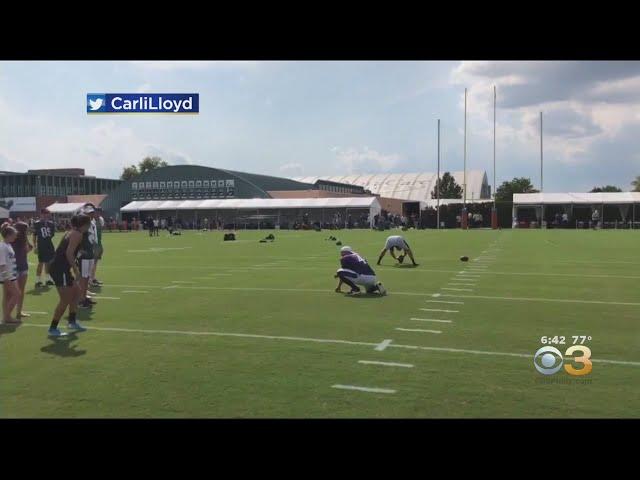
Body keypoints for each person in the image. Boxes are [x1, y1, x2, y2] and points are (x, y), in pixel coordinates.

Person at [47, 214, 90, 337]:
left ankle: (72, 322)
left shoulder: (71, 232)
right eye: (88, 224)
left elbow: (68, 250)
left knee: (77, 292)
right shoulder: (77, 234)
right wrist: (76, 270)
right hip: (59, 269)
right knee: (65, 299)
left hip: (60, 267)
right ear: (84, 225)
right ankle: (53, 328)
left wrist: (80, 252)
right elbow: (69, 253)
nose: (89, 226)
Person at [11, 217, 32, 319]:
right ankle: (8, 313)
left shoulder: (24, 240)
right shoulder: (12, 240)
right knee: (13, 292)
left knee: (21, 290)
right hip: (14, 268)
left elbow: (28, 249)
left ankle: (19, 312)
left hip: (23, 267)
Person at [77, 205, 97, 309]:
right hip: (84, 255)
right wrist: (79, 251)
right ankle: (81, 300)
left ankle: (84, 298)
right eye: (89, 213)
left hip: (90, 253)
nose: (91, 214)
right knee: (83, 278)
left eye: (92, 213)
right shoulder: (81, 225)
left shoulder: (92, 223)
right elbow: (76, 238)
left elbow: (93, 239)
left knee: (87, 277)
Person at [0, 224, 20, 324]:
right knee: (17, 295)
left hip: (12, 275)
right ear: (8, 235)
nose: (15, 236)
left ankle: (6, 317)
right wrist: (6, 277)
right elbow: (2, 264)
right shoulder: (2, 246)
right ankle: (7, 317)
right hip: (7, 276)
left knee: (8, 296)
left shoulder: (8, 245)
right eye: (14, 235)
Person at [33, 209, 56, 288]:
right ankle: (38, 280)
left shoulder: (51, 224)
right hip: (41, 246)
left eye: (48, 214)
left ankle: (48, 279)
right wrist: (35, 246)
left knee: (49, 263)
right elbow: (34, 235)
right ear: (41, 214)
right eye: (45, 214)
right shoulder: (37, 224)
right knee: (41, 263)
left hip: (49, 245)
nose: (47, 216)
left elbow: (51, 235)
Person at [90, 207, 104, 288]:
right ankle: (90, 279)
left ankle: (93, 278)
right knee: (92, 262)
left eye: (99, 212)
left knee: (95, 263)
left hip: (99, 243)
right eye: (97, 212)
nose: (98, 214)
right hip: (93, 244)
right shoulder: (91, 221)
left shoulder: (100, 220)